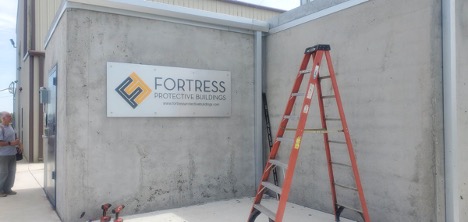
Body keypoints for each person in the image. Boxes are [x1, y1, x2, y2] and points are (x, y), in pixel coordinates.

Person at [0, 111, 21, 197]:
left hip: (12, 154)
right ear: (3, 118)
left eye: (10, 116)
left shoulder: (11, 126)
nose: (10, 117)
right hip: (3, 155)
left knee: (12, 172)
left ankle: (8, 189)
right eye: (9, 116)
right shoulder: (1, 128)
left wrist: (19, 145)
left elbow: (15, 137)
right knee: (3, 173)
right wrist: (11, 143)